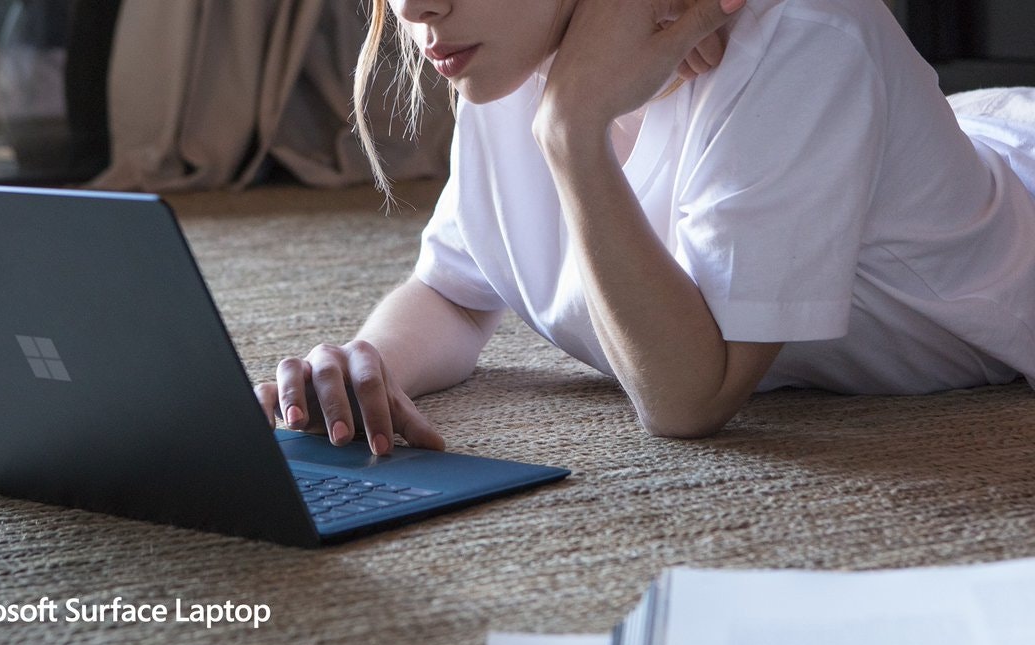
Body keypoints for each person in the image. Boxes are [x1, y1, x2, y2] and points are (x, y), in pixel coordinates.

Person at [255, 0, 1035, 452]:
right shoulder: (503, 56)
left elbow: (689, 397)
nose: (412, 8)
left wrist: (571, 132)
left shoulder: (802, 39)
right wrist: (371, 364)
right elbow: (455, 292)